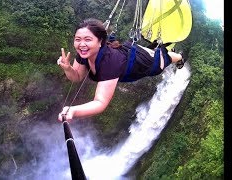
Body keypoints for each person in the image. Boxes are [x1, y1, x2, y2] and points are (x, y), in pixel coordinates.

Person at [57, 18, 185, 122]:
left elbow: (100, 102)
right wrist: (68, 68)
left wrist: (73, 111)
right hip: (127, 53)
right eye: (77, 39)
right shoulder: (84, 52)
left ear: (100, 42)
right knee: (156, 53)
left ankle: (179, 57)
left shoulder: (110, 63)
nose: (81, 44)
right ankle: (167, 53)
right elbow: (77, 77)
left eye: (88, 39)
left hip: (146, 63)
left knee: (163, 59)